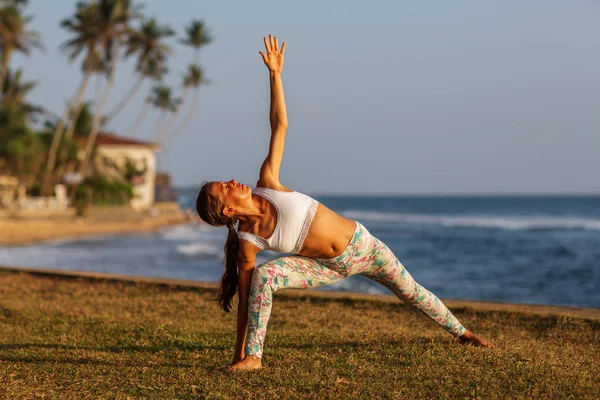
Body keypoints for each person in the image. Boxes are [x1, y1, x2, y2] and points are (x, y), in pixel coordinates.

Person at [195, 34, 493, 371]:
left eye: (227, 180)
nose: (234, 181)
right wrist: (239, 355)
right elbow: (249, 301)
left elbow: (280, 125)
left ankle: (462, 333)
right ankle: (254, 358)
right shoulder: (248, 244)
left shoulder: (268, 183)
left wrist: (275, 74)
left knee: (412, 291)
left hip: (364, 246)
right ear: (228, 210)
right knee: (265, 277)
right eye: (226, 187)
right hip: (327, 266)